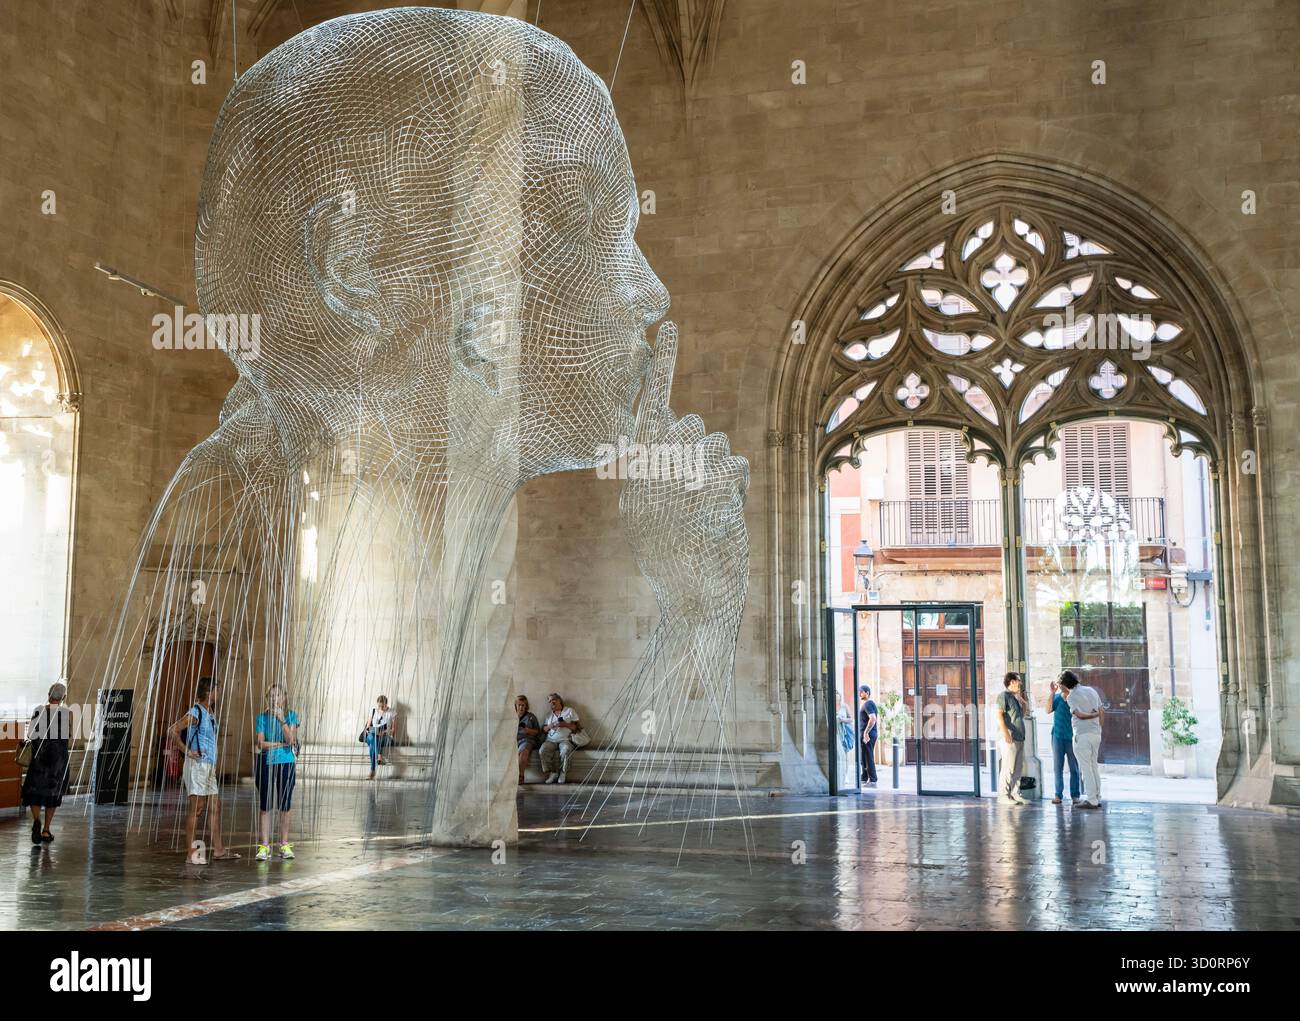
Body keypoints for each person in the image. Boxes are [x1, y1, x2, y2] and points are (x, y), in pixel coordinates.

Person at [168, 677, 239, 863]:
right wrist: (188, 752)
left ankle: (218, 850)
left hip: (209, 767)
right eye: (217, 690)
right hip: (197, 766)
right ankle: (191, 853)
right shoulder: (196, 711)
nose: (219, 693)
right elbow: (173, 729)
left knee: (215, 805)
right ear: (209, 692)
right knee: (197, 808)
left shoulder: (211, 713)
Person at [21, 682, 71, 844]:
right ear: (63, 697)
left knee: (35, 792)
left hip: (39, 758)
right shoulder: (67, 713)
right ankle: (46, 830)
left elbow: (30, 734)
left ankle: (36, 820)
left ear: (48, 694)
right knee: (52, 795)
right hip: (57, 761)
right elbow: (68, 736)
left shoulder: (38, 711)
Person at [253, 684, 300, 860]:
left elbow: (291, 740)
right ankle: (264, 846)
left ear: (284, 698)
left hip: (286, 763)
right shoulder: (262, 718)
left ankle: (284, 844)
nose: (274, 699)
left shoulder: (291, 716)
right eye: (271, 696)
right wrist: (280, 744)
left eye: (278, 695)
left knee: (285, 805)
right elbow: (260, 744)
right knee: (265, 805)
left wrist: (282, 721)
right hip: (266, 763)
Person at [1061, 670, 1105, 809]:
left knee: (1086, 768)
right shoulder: (1091, 690)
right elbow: (1102, 710)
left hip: (1082, 735)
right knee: (1094, 766)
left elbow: (1079, 715)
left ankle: (1091, 799)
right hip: (1096, 734)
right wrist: (1099, 726)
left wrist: (1094, 715)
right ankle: (1097, 797)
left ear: (1064, 684)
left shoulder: (1072, 696)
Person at [1046, 675, 1081, 805]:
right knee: (1057, 767)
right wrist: (1052, 693)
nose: (1061, 685)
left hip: (1072, 737)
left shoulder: (1074, 698)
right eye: (1060, 683)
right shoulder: (1057, 698)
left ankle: (1075, 795)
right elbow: (1048, 710)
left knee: (1074, 768)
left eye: (1062, 683)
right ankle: (1058, 795)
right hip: (1057, 737)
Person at [995, 672, 1029, 805]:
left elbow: (1022, 714)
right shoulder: (1003, 696)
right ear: (1012, 681)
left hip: (1019, 737)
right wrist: (1006, 734)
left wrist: (1022, 701)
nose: (1020, 683)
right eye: (1018, 681)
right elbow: (999, 716)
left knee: (1018, 768)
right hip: (1009, 738)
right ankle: (1003, 796)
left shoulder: (1015, 698)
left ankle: (1015, 794)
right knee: (1008, 768)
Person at [539, 692, 580, 785]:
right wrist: (550, 726)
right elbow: (544, 729)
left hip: (565, 739)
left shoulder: (569, 711)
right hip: (550, 740)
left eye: (552, 700)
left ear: (558, 700)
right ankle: (553, 773)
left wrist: (564, 724)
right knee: (542, 750)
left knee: (565, 750)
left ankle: (563, 772)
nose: (551, 703)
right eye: (549, 701)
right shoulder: (549, 715)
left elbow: (576, 728)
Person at [362, 696, 395, 780]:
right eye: (379, 706)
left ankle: (372, 770)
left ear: (386, 704)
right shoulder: (373, 711)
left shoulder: (391, 712)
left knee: (372, 744)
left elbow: (393, 730)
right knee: (372, 737)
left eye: (382, 706)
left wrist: (383, 732)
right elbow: (368, 726)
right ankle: (378, 755)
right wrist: (369, 730)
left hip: (384, 736)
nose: (380, 708)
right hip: (372, 734)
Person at [515, 695, 542, 784]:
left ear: (526, 706)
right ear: (516, 705)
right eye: (519, 705)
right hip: (514, 741)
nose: (521, 707)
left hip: (527, 740)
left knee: (523, 751)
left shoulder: (531, 717)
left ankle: (520, 776)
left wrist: (528, 730)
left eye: (523, 705)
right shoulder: (511, 717)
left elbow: (538, 732)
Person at [858, 685, 879, 785]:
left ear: (867, 693)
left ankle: (873, 779)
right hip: (867, 734)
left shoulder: (868, 704)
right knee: (864, 756)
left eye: (861, 692)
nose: (860, 694)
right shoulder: (867, 704)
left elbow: (873, 718)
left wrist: (866, 733)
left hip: (868, 735)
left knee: (868, 756)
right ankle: (864, 777)